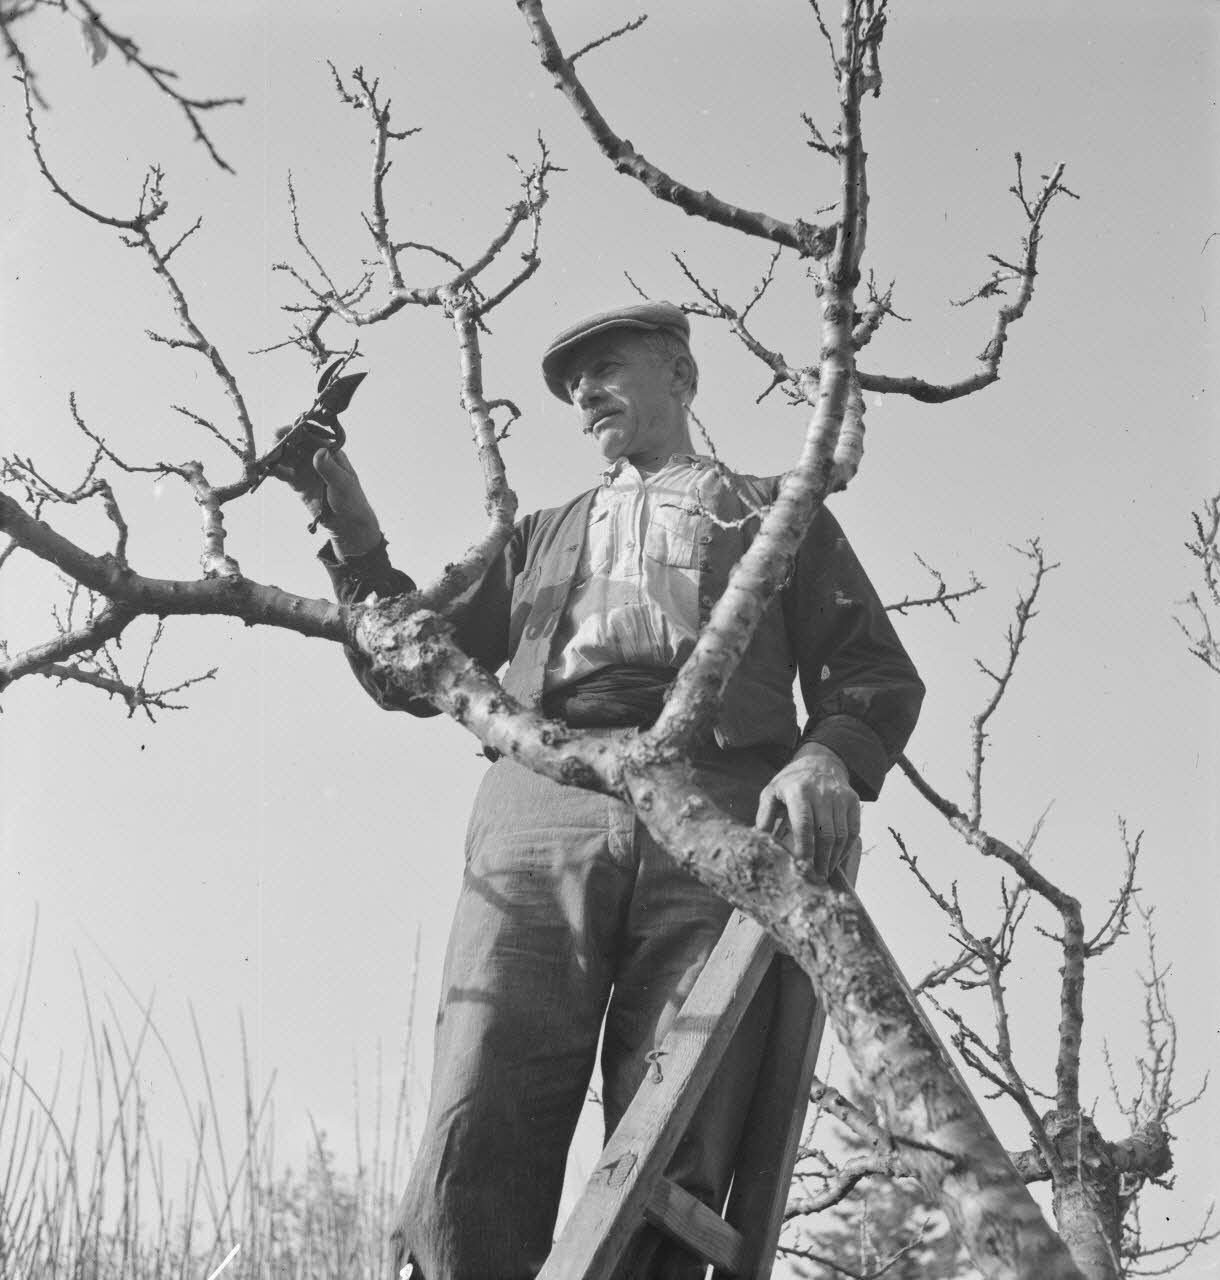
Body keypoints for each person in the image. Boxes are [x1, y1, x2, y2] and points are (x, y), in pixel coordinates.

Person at [279, 301, 924, 1279]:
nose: (581, 393)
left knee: (684, 1100)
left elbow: (870, 670)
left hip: (715, 796)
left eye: (605, 368)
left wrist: (822, 755)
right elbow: (404, 664)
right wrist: (344, 524)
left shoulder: (767, 510)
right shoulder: (537, 535)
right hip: (545, 792)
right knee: (486, 1072)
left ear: (680, 376)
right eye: (570, 384)